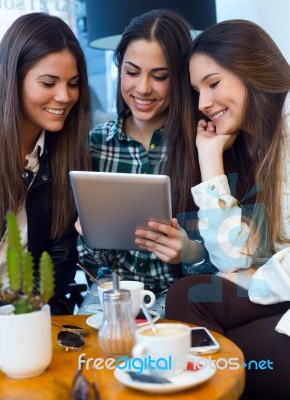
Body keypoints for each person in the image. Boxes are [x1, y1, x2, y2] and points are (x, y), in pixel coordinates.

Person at [165, 19, 290, 398]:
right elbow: (233, 259)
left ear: (251, 69)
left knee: (224, 356)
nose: (202, 103)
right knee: (186, 295)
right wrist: (210, 157)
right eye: (197, 90)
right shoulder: (257, 145)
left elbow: (245, 273)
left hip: (278, 288)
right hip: (279, 289)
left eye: (213, 83)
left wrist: (254, 279)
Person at [76, 9, 209, 317]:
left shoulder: (202, 144)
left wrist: (189, 252)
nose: (143, 88)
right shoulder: (95, 145)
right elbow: (90, 265)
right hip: (111, 291)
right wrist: (89, 236)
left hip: (178, 294)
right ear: (119, 68)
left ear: (179, 78)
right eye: (132, 72)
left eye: (159, 76)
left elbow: (226, 261)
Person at [0, 13, 91, 315]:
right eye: (49, 82)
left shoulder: (66, 158)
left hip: (25, 318)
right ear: (13, 79)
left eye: (73, 84)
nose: (64, 96)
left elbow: (57, 263)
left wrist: (21, 316)